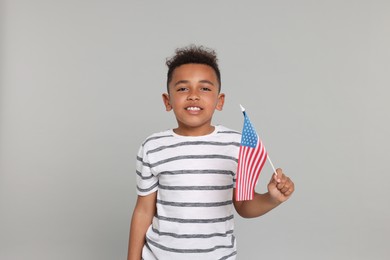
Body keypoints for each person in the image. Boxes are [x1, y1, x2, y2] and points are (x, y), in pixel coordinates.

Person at [127, 45, 295, 260]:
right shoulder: (153, 146)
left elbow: (244, 206)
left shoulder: (236, 144)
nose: (194, 96)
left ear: (220, 100)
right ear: (167, 101)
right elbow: (143, 211)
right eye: (182, 89)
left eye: (205, 88)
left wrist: (272, 199)